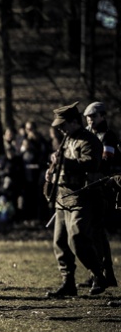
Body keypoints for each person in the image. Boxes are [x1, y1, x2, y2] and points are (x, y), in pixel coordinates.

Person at [45, 102, 107, 298]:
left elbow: (92, 163)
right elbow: (59, 163)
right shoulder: (66, 140)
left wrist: (65, 162)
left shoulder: (89, 140)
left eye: (63, 125)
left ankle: (98, 274)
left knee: (78, 237)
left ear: (74, 122)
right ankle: (68, 282)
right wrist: (52, 170)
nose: (60, 129)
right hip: (63, 197)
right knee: (60, 242)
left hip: (82, 196)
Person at [80, 101, 119, 288]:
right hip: (92, 187)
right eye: (88, 117)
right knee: (92, 233)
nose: (90, 120)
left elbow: (105, 162)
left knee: (97, 233)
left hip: (105, 189)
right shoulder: (91, 136)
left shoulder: (108, 137)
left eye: (94, 116)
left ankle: (105, 273)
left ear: (103, 116)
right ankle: (98, 273)